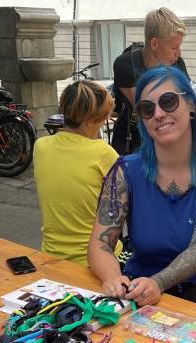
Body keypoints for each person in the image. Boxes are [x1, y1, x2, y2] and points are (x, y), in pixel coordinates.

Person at [88, 65, 196, 316]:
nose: (158, 114)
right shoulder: (126, 171)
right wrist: (113, 278)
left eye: (168, 101)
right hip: (138, 282)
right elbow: (100, 244)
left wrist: (158, 283)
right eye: (147, 108)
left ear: (191, 105)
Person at [111, 7, 196, 160]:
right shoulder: (125, 65)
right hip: (132, 144)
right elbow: (149, 113)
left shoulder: (176, 64)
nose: (179, 53)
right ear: (154, 43)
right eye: (174, 47)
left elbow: (192, 107)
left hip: (167, 143)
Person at [34, 81, 119, 265]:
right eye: (103, 119)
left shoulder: (40, 146)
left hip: (50, 255)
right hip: (97, 261)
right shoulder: (104, 154)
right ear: (90, 122)